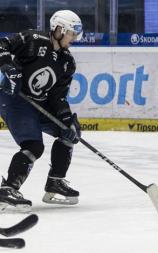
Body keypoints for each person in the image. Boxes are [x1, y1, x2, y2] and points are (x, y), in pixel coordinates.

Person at [0, 10, 83, 210]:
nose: (74, 38)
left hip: (40, 103)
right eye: (72, 33)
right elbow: (2, 45)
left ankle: (55, 181)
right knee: (34, 146)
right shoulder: (33, 39)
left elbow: (58, 96)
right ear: (59, 29)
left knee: (70, 133)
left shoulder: (67, 62)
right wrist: (7, 66)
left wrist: (65, 119)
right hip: (14, 100)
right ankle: (8, 189)